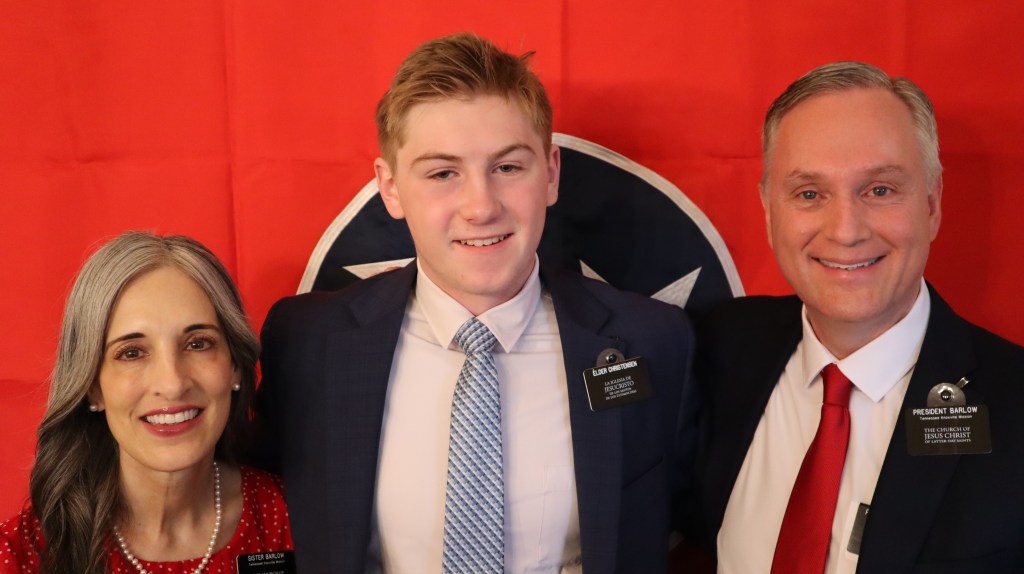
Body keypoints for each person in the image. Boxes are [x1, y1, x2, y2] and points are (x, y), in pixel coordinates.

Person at [256, 33, 697, 573]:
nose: (481, 206)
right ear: (390, 188)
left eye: (507, 168)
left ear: (551, 173)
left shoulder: (655, 340)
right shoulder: (306, 343)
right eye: (443, 173)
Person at [689, 61, 1024, 572]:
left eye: (879, 190)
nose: (846, 231)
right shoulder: (715, 347)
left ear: (931, 205)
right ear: (769, 211)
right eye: (809, 194)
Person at [0, 231, 293, 574]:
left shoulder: (300, 520)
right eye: (132, 353)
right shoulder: (21, 555)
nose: (172, 384)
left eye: (198, 344)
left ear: (235, 368)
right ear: (92, 387)